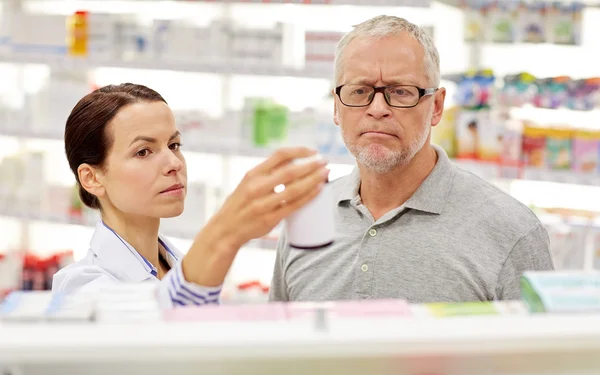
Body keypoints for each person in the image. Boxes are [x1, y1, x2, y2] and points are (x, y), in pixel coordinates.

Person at [269, 16, 554, 303]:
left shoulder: (511, 230)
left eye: (400, 92)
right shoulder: (307, 214)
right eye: (359, 91)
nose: (377, 109)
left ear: (436, 107)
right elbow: (279, 341)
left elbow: (546, 346)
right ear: (336, 107)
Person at [52, 83, 329, 308]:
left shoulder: (177, 263)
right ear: (92, 178)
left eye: (174, 145)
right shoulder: (81, 288)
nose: (174, 163)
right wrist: (225, 233)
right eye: (143, 152)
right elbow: (156, 338)